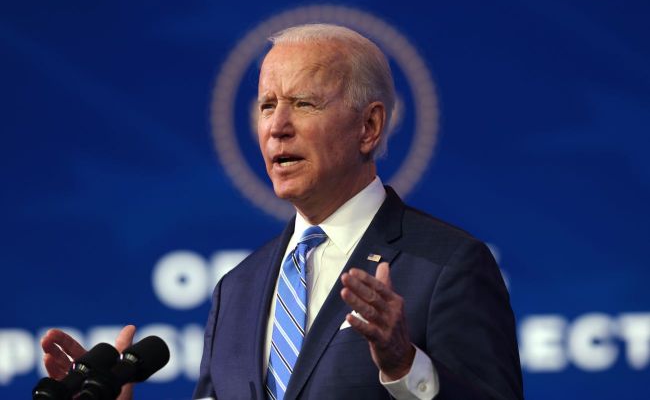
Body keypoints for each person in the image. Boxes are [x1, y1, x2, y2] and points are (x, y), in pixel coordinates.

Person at [41, 24, 523, 400]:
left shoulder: (447, 266)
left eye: (304, 103)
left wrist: (405, 366)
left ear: (370, 126)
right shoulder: (238, 288)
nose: (278, 127)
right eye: (267, 105)